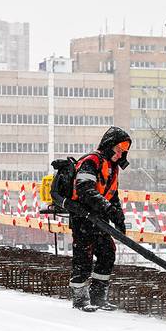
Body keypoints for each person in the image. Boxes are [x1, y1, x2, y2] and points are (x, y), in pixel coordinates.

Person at [67, 126, 131, 312]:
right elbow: (85, 189)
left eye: (123, 152)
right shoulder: (91, 162)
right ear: (109, 146)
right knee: (83, 256)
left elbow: (112, 194)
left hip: (99, 218)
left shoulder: (112, 168)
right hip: (83, 216)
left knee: (107, 253)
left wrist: (118, 217)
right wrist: (108, 208)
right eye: (118, 150)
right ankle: (80, 299)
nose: (120, 155)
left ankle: (98, 297)